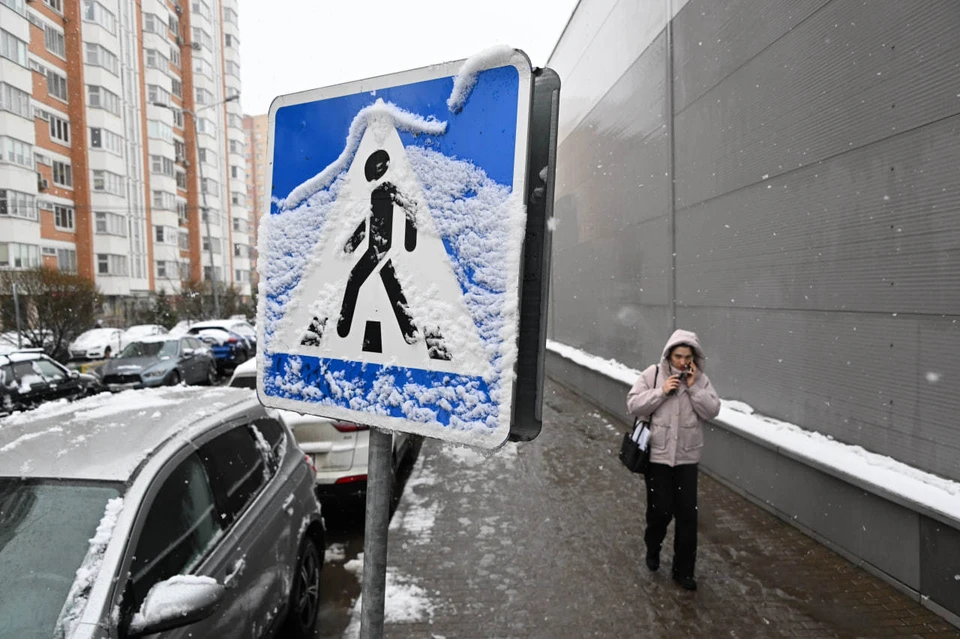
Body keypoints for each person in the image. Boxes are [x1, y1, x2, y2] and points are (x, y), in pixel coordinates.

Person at [626, 329, 721, 591]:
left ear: (694, 358)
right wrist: (661, 392)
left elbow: (713, 410)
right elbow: (633, 404)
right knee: (660, 512)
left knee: (687, 517)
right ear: (669, 355)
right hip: (657, 457)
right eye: (678, 356)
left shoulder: (700, 380)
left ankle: (683, 571)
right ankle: (653, 547)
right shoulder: (653, 374)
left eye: (687, 357)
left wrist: (693, 389)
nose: (682, 362)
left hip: (687, 459)